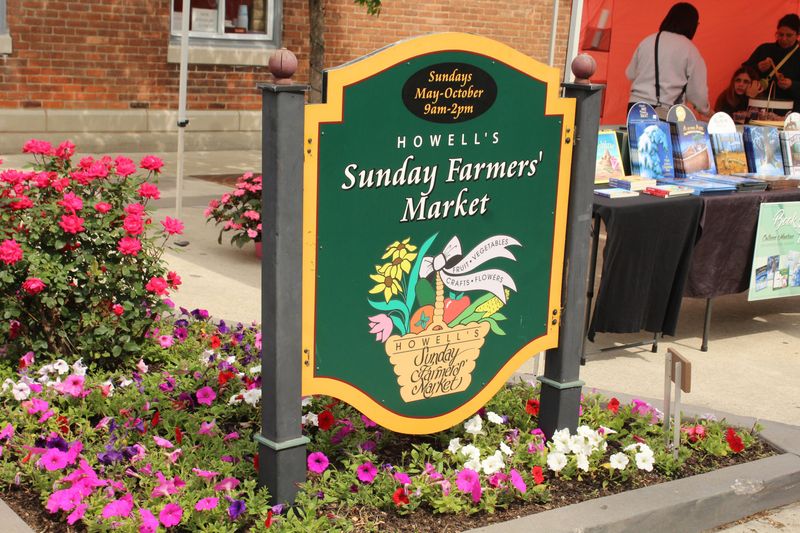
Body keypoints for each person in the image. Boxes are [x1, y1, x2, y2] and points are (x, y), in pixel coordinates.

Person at [626, 3, 710, 118]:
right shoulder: (690, 50)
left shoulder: (648, 41)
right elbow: (697, 93)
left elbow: (630, 73)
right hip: (665, 111)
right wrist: (706, 110)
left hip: (635, 107)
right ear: (692, 25)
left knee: (635, 136)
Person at [744, 14, 800, 113]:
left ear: (797, 35)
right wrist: (757, 68)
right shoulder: (764, 49)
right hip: (760, 108)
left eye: (789, 35)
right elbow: (743, 72)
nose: (783, 39)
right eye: (780, 34)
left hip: (791, 111)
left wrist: (792, 85)